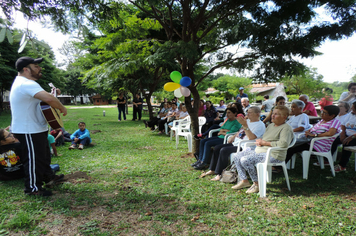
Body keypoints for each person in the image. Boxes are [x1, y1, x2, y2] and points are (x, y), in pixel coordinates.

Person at [10, 56, 67, 196]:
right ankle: (32, 189)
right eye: (35, 66)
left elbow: (45, 98)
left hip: (35, 128)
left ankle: (48, 177)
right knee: (33, 159)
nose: (39, 68)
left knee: (43, 156)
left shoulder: (26, 82)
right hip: (28, 130)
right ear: (26, 69)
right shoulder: (26, 83)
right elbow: (48, 99)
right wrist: (61, 107)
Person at [231, 105, 294, 194]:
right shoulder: (271, 126)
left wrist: (264, 143)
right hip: (261, 150)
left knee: (245, 160)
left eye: (276, 114)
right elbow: (265, 139)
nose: (272, 115)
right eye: (273, 113)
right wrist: (260, 141)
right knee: (236, 156)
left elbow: (283, 144)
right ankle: (244, 181)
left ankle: (257, 184)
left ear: (284, 117)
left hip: (274, 154)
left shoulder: (286, 128)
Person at [199, 107, 266, 180]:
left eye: (250, 113)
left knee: (224, 150)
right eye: (247, 112)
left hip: (245, 146)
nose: (247, 114)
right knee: (217, 148)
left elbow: (251, 137)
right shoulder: (248, 121)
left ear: (257, 114)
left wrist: (245, 125)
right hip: (236, 142)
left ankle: (219, 173)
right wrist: (233, 137)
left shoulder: (260, 125)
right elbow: (240, 131)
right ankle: (212, 169)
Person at [331, 101, 356, 172]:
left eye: (354, 109)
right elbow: (343, 125)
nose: (352, 110)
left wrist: (352, 137)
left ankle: (342, 165)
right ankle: (327, 160)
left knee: (347, 143)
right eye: (352, 108)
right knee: (334, 140)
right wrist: (343, 134)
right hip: (347, 134)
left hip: (354, 137)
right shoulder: (350, 114)